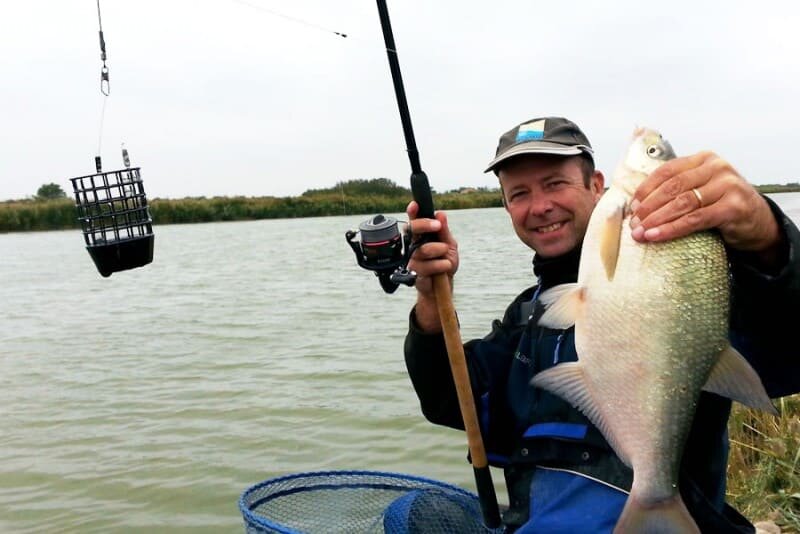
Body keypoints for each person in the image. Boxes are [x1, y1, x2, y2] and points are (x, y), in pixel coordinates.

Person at [403, 116, 800, 532]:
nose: (539, 206)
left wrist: (769, 242)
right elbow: (450, 402)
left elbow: (788, 359)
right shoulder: (524, 321)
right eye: (519, 193)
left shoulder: (686, 286)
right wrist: (431, 301)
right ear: (507, 208)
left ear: (597, 185)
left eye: (555, 183)